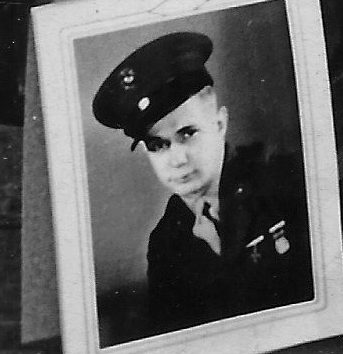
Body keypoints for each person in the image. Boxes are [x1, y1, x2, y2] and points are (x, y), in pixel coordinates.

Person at [92, 29, 313, 334]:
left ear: (220, 124)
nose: (177, 159)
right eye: (158, 145)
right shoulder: (165, 242)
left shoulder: (282, 180)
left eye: (188, 133)